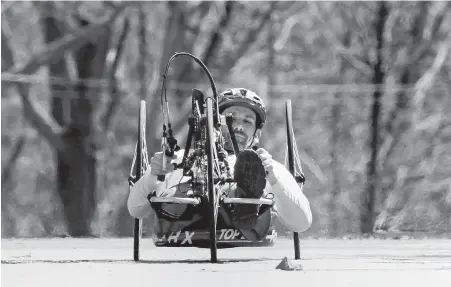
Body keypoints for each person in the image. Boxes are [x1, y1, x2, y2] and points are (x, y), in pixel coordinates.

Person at [127, 88, 312, 242]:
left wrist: (273, 179)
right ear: (213, 124)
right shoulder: (180, 157)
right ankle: (222, 196)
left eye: (247, 121)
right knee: (177, 182)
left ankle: (244, 197)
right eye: (230, 119)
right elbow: (135, 209)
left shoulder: (266, 165)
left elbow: (303, 222)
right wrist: (153, 176)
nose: (238, 126)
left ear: (257, 133)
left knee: (252, 177)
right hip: (184, 213)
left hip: (244, 223)